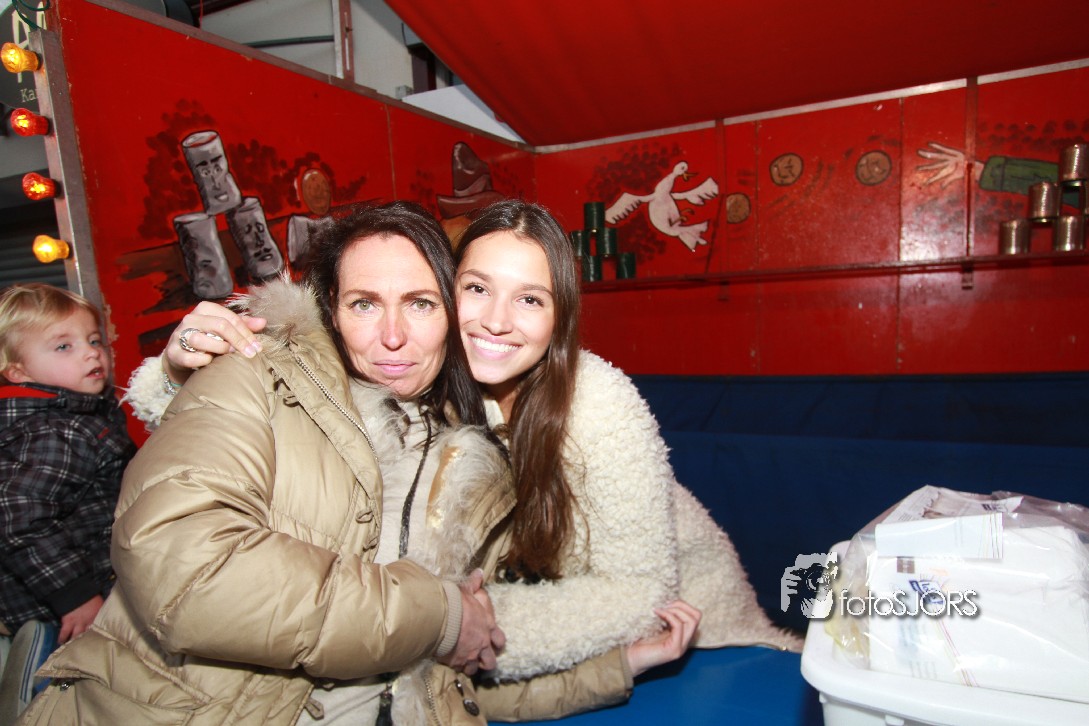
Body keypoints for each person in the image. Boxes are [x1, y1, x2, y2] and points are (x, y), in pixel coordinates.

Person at [133, 200, 799, 714]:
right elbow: (264, 444)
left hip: (700, 631)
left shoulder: (594, 402)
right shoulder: (423, 391)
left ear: (561, 318)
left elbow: (635, 593)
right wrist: (181, 372)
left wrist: (448, 626)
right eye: (476, 289)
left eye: (530, 299)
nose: (496, 320)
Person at [21, 202, 617, 726]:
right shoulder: (253, 376)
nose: (392, 336)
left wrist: (619, 668)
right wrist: (440, 614)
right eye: (364, 304)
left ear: (451, 315)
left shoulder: (469, 466)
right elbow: (185, 569)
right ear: (330, 308)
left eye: (419, 303)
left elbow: (451, 676)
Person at [0, 284, 136, 723]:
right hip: (59, 603)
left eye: (93, 339)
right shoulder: (55, 431)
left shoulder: (74, 416)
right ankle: (33, 697)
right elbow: (17, 515)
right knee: (74, 688)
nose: (91, 353)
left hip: (77, 585)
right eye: (64, 346)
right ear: (18, 371)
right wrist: (74, 596)